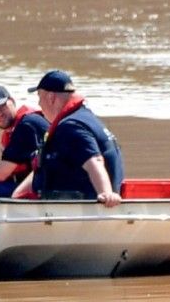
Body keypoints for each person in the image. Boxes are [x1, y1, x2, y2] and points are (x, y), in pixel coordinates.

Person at [12, 70, 124, 208]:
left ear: (51, 97)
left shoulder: (71, 127)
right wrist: (18, 194)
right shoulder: (85, 118)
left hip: (72, 210)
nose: (39, 104)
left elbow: (94, 161)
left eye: (39, 97)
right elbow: (45, 166)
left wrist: (106, 194)